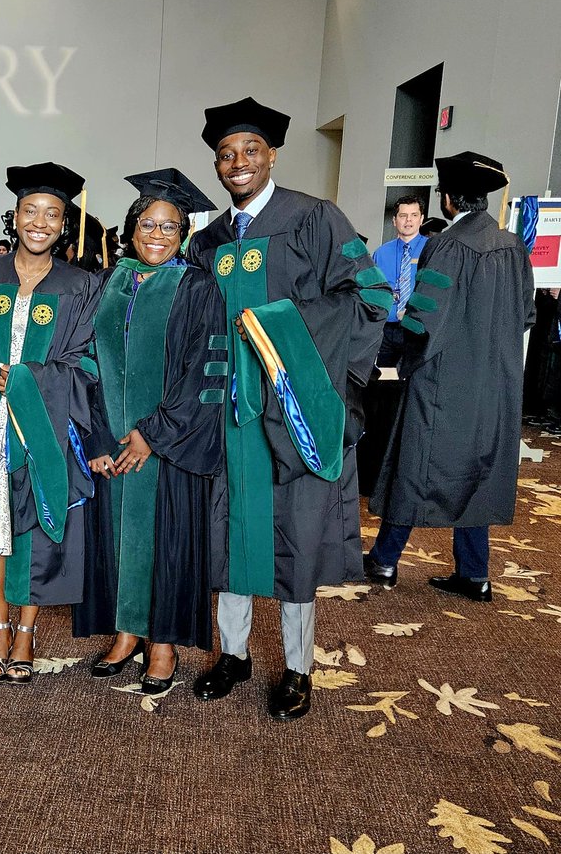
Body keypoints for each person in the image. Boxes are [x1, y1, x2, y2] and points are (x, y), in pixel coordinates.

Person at [187, 97, 389, 720]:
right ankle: (235, 653)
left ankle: (299, 667)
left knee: (295, 537)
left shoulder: (315, 218)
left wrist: (282, 329)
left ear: (272, 155)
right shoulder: (210, 240)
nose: (237, 162)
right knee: (230, 533)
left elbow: (370, 296)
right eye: (226, 155)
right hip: (228, 414)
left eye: (250, 151)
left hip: (291, 409)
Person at [74, 168, 225, 696]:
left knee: (166, 540)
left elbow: (203, 369)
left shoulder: (198, 287)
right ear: (130, 228)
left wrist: (152, 434)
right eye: (147, 223)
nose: (157, 234)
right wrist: (96, 438)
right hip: (111, 442)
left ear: (183, 233)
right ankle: (126, 631)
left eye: (169, 226)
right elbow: (85, 363)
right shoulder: (107, 283)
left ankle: (162, 642)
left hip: (168, 448)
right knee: (117, 540)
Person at [366, 152, 535, 601]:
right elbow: (526, 315)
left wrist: (400, 360)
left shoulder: (446, 246)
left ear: (447, 199)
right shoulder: (513, 246)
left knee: (414, 465)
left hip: (442, 383)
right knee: (476, 471)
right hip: (494, 384)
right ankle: (475, 574)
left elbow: (424, 323)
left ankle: (384, 561)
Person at [0, 162, 100, 685]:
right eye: (31, 211)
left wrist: (31, 380)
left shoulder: (82, 284)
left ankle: (25, 632)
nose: (41, 222)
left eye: (53, 213)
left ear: (65, 223)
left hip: (45, 423)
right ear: (15, 217)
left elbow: (89, 361)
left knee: (36, 526)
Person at [370, 194, 428, 367]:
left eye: (414, 215)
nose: (408, 220)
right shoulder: (380, 253)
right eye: (403, 216)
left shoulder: (432, 250)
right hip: (386, 329)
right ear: (395, 220)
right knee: (382, 382)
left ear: (421, 219)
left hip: (417, 328)